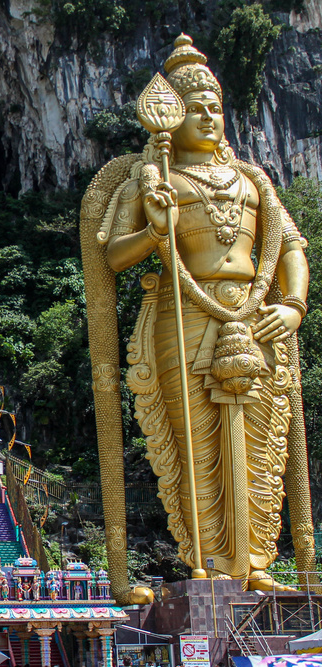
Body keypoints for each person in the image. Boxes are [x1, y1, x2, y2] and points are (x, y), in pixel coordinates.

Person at [88, 34, 310, 592]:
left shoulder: (254, 179)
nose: (209, 117)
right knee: (196, 444)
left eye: (216, 107)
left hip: (256, 315)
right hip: (182, 315)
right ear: (171, 119)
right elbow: (112, 254)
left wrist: (294, 305)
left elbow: (289, 248)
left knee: (263, 438)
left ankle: (256, 562)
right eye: (196, 108)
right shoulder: (153, 179)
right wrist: (153, 230)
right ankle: (209, 563)